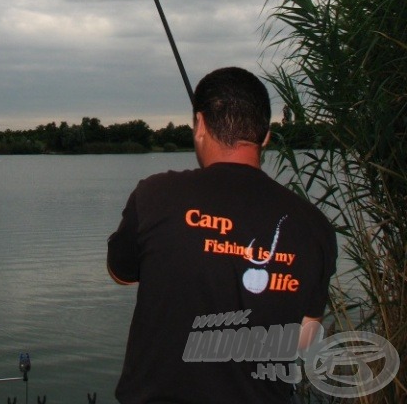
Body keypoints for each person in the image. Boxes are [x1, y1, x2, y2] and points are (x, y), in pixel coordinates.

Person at [107, 67, 337, 403]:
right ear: (266, 136)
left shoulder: (155, 196)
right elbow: (305, 336)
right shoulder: (314, 225)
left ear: (199, 125)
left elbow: (121, 273)